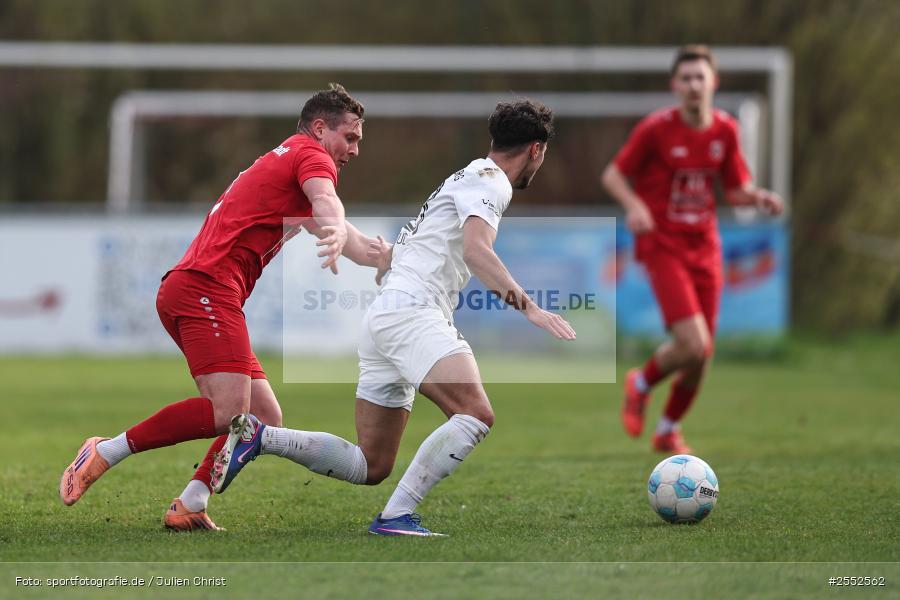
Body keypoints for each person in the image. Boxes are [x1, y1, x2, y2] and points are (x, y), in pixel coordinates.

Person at [209, 99, 576, 536]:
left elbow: (428, 242)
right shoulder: (492, 182)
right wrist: (530, 308)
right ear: (536, 149)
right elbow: (478, 250)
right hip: (412, 312)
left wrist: (388, 256)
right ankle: (395, 517)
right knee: (476, 414)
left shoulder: (467, 176)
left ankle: (261, 437)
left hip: (388, 313)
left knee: (372, 464)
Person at [59, 84, 391, 531]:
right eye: (350, 138)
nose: (354, 149)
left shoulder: (289, 165)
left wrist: (388, 258)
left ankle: (190, 503)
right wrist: (332, 222)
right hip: (205, 289)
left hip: (202, 291)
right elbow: (328, 204)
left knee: (263, 418)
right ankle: (104, 450)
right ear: (319, 128)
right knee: (228, 413)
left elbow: (345, 233)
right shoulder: (310, 156)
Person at [602, 45, 784, 453]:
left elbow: (735, 191)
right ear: (674, 85)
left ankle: (667, 429)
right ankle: (642, 382)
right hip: (662, 244)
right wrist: (634, 206)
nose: (693, 85)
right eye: (685, 78)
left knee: (702, 354)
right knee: (693, 343)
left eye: (700, 77)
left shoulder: (725, 130)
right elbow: (614, 174)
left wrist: (759, 197)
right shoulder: (654, 129)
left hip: (705, 246)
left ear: (714, 83)